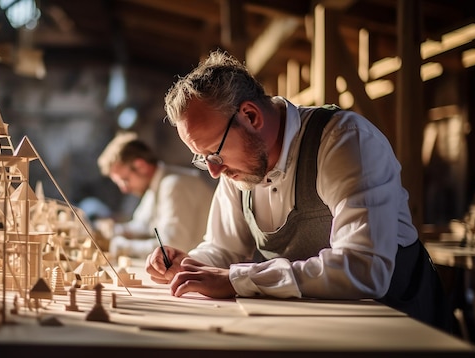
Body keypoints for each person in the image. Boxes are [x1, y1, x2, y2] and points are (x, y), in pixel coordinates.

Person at [144, 49, 452, 332]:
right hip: (316, 331)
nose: (213, 171)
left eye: (214, 154)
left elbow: (364, 268)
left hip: (397, 332)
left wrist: (238, 279)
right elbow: (224, 249)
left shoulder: (345, 142)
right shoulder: (239, 166)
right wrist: (191, 265)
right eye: (203, 158)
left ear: (250, 116)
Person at [97, 131, 214, 260]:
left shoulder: (174, 185)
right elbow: (143, 225)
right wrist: (115, 230)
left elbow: (173, 246)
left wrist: (123, 246)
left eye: (125, 180)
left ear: (141, 166)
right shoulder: (154, 185)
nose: (124, 189)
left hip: (201, 268)